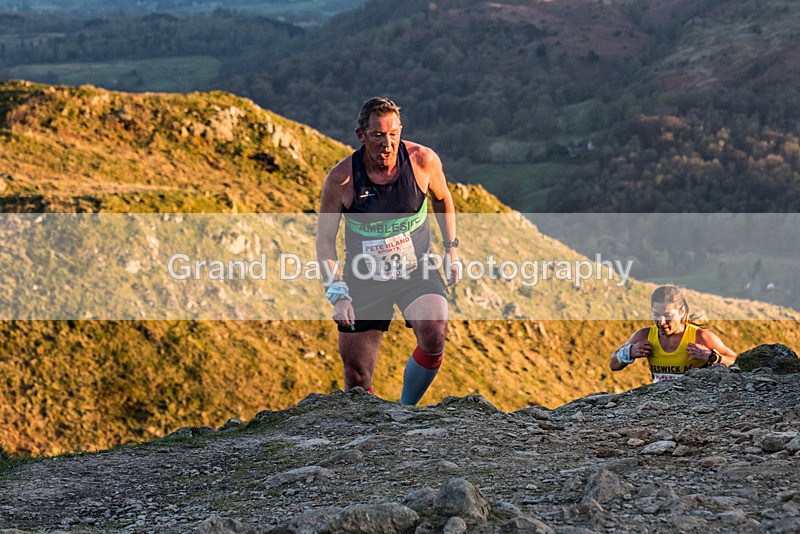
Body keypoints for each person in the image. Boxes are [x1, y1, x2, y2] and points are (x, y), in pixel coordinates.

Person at [316, 97, 460, 404]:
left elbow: (442, 198)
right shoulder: (341, 179)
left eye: (393, 133)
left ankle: (405, 412)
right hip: (364, 277)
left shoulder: (423, 160)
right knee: (356, 379)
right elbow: (325, 240)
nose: (387, 143)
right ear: (361, 135)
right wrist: (337, 294)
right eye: (379, 135)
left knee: (434, 331)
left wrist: (451, 250)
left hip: (415, 269)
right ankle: (368, 430)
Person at [610, 284, 737, 382]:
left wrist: (711, 357)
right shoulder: (645, 336)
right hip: (660, 404)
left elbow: (737, 362)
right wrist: (629, 352)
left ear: (681, 312)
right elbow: (613, 364)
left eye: (667, 315)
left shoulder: (700, 337)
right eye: (656, 315)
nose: (661, 321)